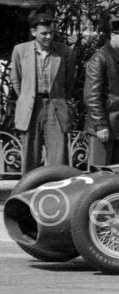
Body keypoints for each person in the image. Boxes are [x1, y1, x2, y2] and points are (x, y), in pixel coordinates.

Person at [10, 13, 75, 174]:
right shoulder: (20, 50)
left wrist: (60, 99)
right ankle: (29, 194)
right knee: (30, 156)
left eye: (51, 33)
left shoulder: (65, 52)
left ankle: (59, 193)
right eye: (44, 33)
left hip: (55, 107)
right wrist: (26, 97)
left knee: (58, 158)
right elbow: (16, 79)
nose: (48, 37)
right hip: (31, 107)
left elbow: (69, 82)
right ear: (34, 32)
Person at [83, 17, 119, 167]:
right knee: (99, 174)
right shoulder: (100, 58)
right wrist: (100, 125)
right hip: (104, 127)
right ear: (112, 36)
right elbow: (92, 97)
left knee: (118, 173)